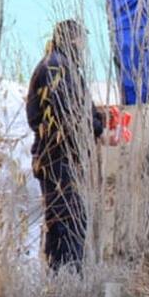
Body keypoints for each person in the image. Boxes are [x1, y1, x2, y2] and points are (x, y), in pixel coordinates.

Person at [25, 20, 104, 270]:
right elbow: (67, 114)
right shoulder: (55, 67)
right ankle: (65, 285)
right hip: (58, 158)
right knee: (66, 224)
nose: (85, 47)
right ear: (73, 40)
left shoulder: (63, 66)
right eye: (82, 41)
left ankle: (66, 282)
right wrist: (96, 126)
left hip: (65, 157)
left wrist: (98, 121)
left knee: (70, 222)